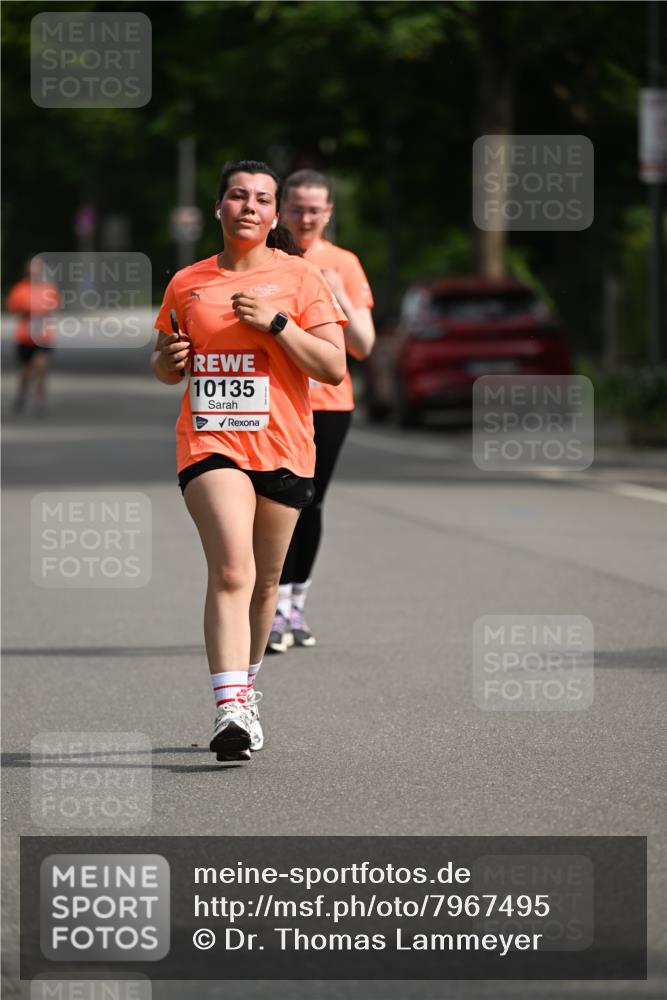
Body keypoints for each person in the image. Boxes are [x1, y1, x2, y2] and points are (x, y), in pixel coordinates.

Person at [151, 160, 346, 761]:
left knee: (264, 584)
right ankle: (229, 708)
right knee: (232, 570)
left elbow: (332, 367)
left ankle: (247, 692)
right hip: (212, 442)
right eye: (238, 196)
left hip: (285, 446)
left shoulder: (301, 277)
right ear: (219, 208)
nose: (250, 207)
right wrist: (172, 360)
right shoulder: (188, 282)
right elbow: (162, 363)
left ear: (273, 214)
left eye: (263, 199)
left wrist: (279, 323)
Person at [266, 170, 375, 654]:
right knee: (274, 503)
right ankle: (268, 607)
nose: (304, 218)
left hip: (328, 403)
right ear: (279, 208)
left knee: (310, 502)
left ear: (329, 213)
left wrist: (338, 294)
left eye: (314, 209)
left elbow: (364, 345)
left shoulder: (343, 263)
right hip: (270, 400)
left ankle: (293, 606)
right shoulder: (264, 258)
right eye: (295, 208)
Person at [6, 257, 60, 415]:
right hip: (24, 336)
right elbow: (13, 308)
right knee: (26, 371)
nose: (35, 271)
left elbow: (54, 305)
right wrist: (26, 309)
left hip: (43, 336)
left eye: (38, 268)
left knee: (41, 368)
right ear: (28, 270)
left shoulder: (48, 288)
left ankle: (39, 399)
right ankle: (22, 394)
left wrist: (42, 309)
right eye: (33, 268)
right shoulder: (20, 289)